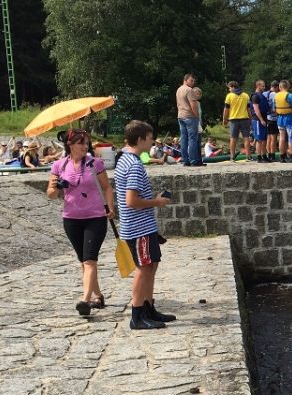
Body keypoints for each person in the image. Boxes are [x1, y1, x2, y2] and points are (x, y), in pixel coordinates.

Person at [45, 128, 115, 317]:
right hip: (71, 219)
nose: (85, 146)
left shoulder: (95, 163)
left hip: (95, 217)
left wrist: (110, 206)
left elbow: (107, 187)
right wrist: (56, 187)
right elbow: (50, 195)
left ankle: (85, 301)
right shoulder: (59, 166)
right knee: (83, 262)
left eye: (86, 143)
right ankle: (98, 296)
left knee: (90, 260)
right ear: (70, 145)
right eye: (81, 143)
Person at [115, 120, 176, 330]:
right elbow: (131, 201)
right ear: (140, 139)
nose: (152, 142)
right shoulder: (133, 164)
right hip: (137, 227)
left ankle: (149, 308)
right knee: (143, 268)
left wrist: (151, 199)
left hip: (141, 226)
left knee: (151, 264)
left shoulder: (124, 158)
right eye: (150, 138)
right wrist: (157, 202)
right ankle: (137, 315)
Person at [175, 73, 204, 167]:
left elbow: (177, 104)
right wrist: (196, 116)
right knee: (193, 139)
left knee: (184, 139)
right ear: (185, 79)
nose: (193, 82)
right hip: (190, 117)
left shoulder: (178, 90)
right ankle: (193, 161)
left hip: (180, 116)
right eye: (191, 80)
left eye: (193, 81)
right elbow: (193, 105)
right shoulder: (189, 90)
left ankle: (185, 161)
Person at [223, 80, 252, 161]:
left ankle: (232, 157)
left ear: (232, 87)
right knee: (246, 138)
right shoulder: (246, 95)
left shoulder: (229, 96)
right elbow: (248, 109)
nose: (229, 90)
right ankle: (248, 156)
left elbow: (226, 109)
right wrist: (251, 118)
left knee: (233, 138)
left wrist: (224, 119)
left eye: (229, 88)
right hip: (245, 119)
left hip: (233, 120)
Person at [274, 79, 292, 163]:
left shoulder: (276, 96)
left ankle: (282, 157)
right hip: (289, 118)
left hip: (280, 118)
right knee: (291, 138)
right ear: (288, 86)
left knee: (281, 138)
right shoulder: (290, 96)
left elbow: (274, 108)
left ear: (280, 87)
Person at [250, 79, 272, 162]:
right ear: (258, 86)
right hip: (258, 120)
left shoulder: (262, 96)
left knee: (264, 139)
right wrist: (261, 120)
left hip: (264, 118)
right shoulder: (255, 96)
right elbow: (256, 109)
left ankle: (264, 156)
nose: (264, 87)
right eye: (263, 86)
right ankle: (259, 157)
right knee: (259, 139)